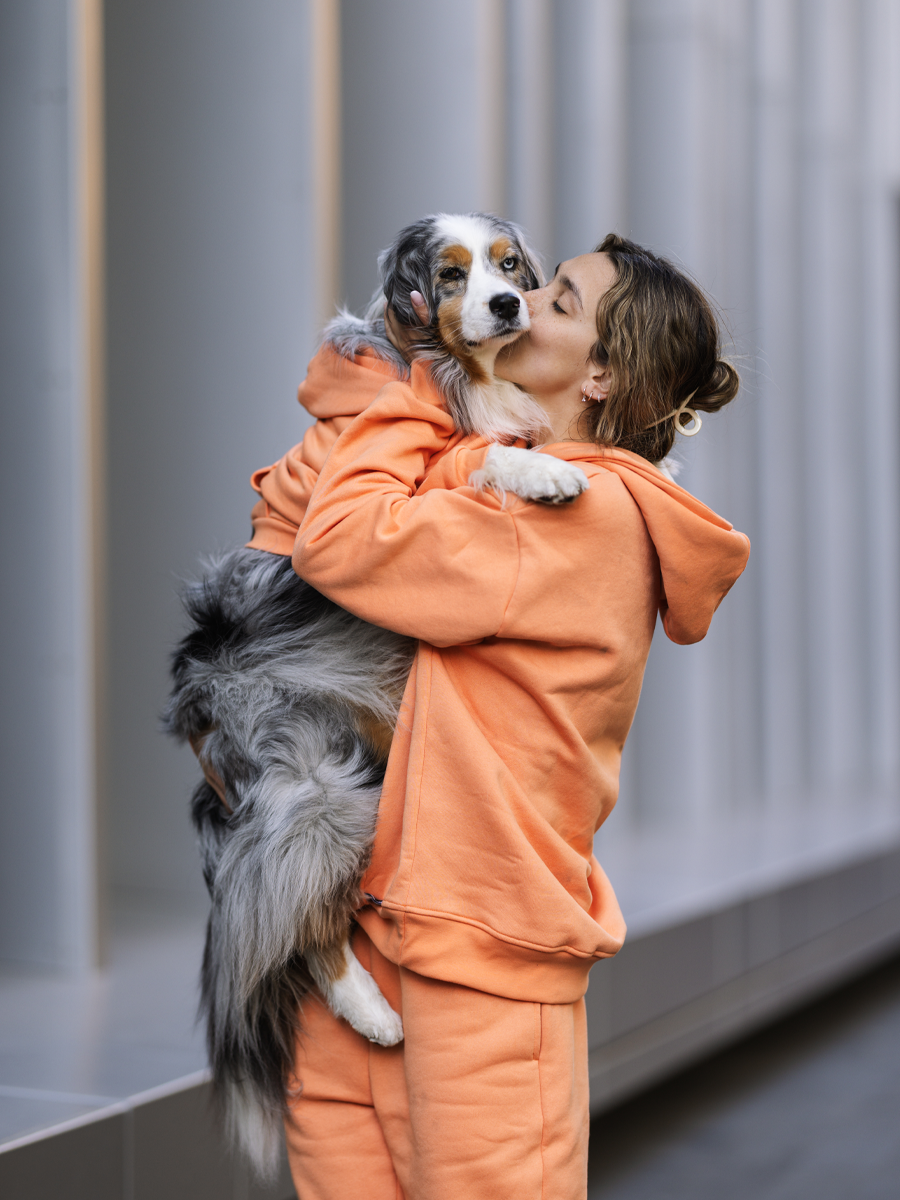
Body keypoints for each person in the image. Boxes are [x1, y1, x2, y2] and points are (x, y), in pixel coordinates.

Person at [277, 233, 750, 1199]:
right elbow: (304, 490)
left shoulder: (583, 513)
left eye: (560, 302)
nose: (520, 303)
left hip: (483, 956)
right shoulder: (496, 468)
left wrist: (417, 378)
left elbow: (334, 537)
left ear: (605, 377)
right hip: (369, 928)